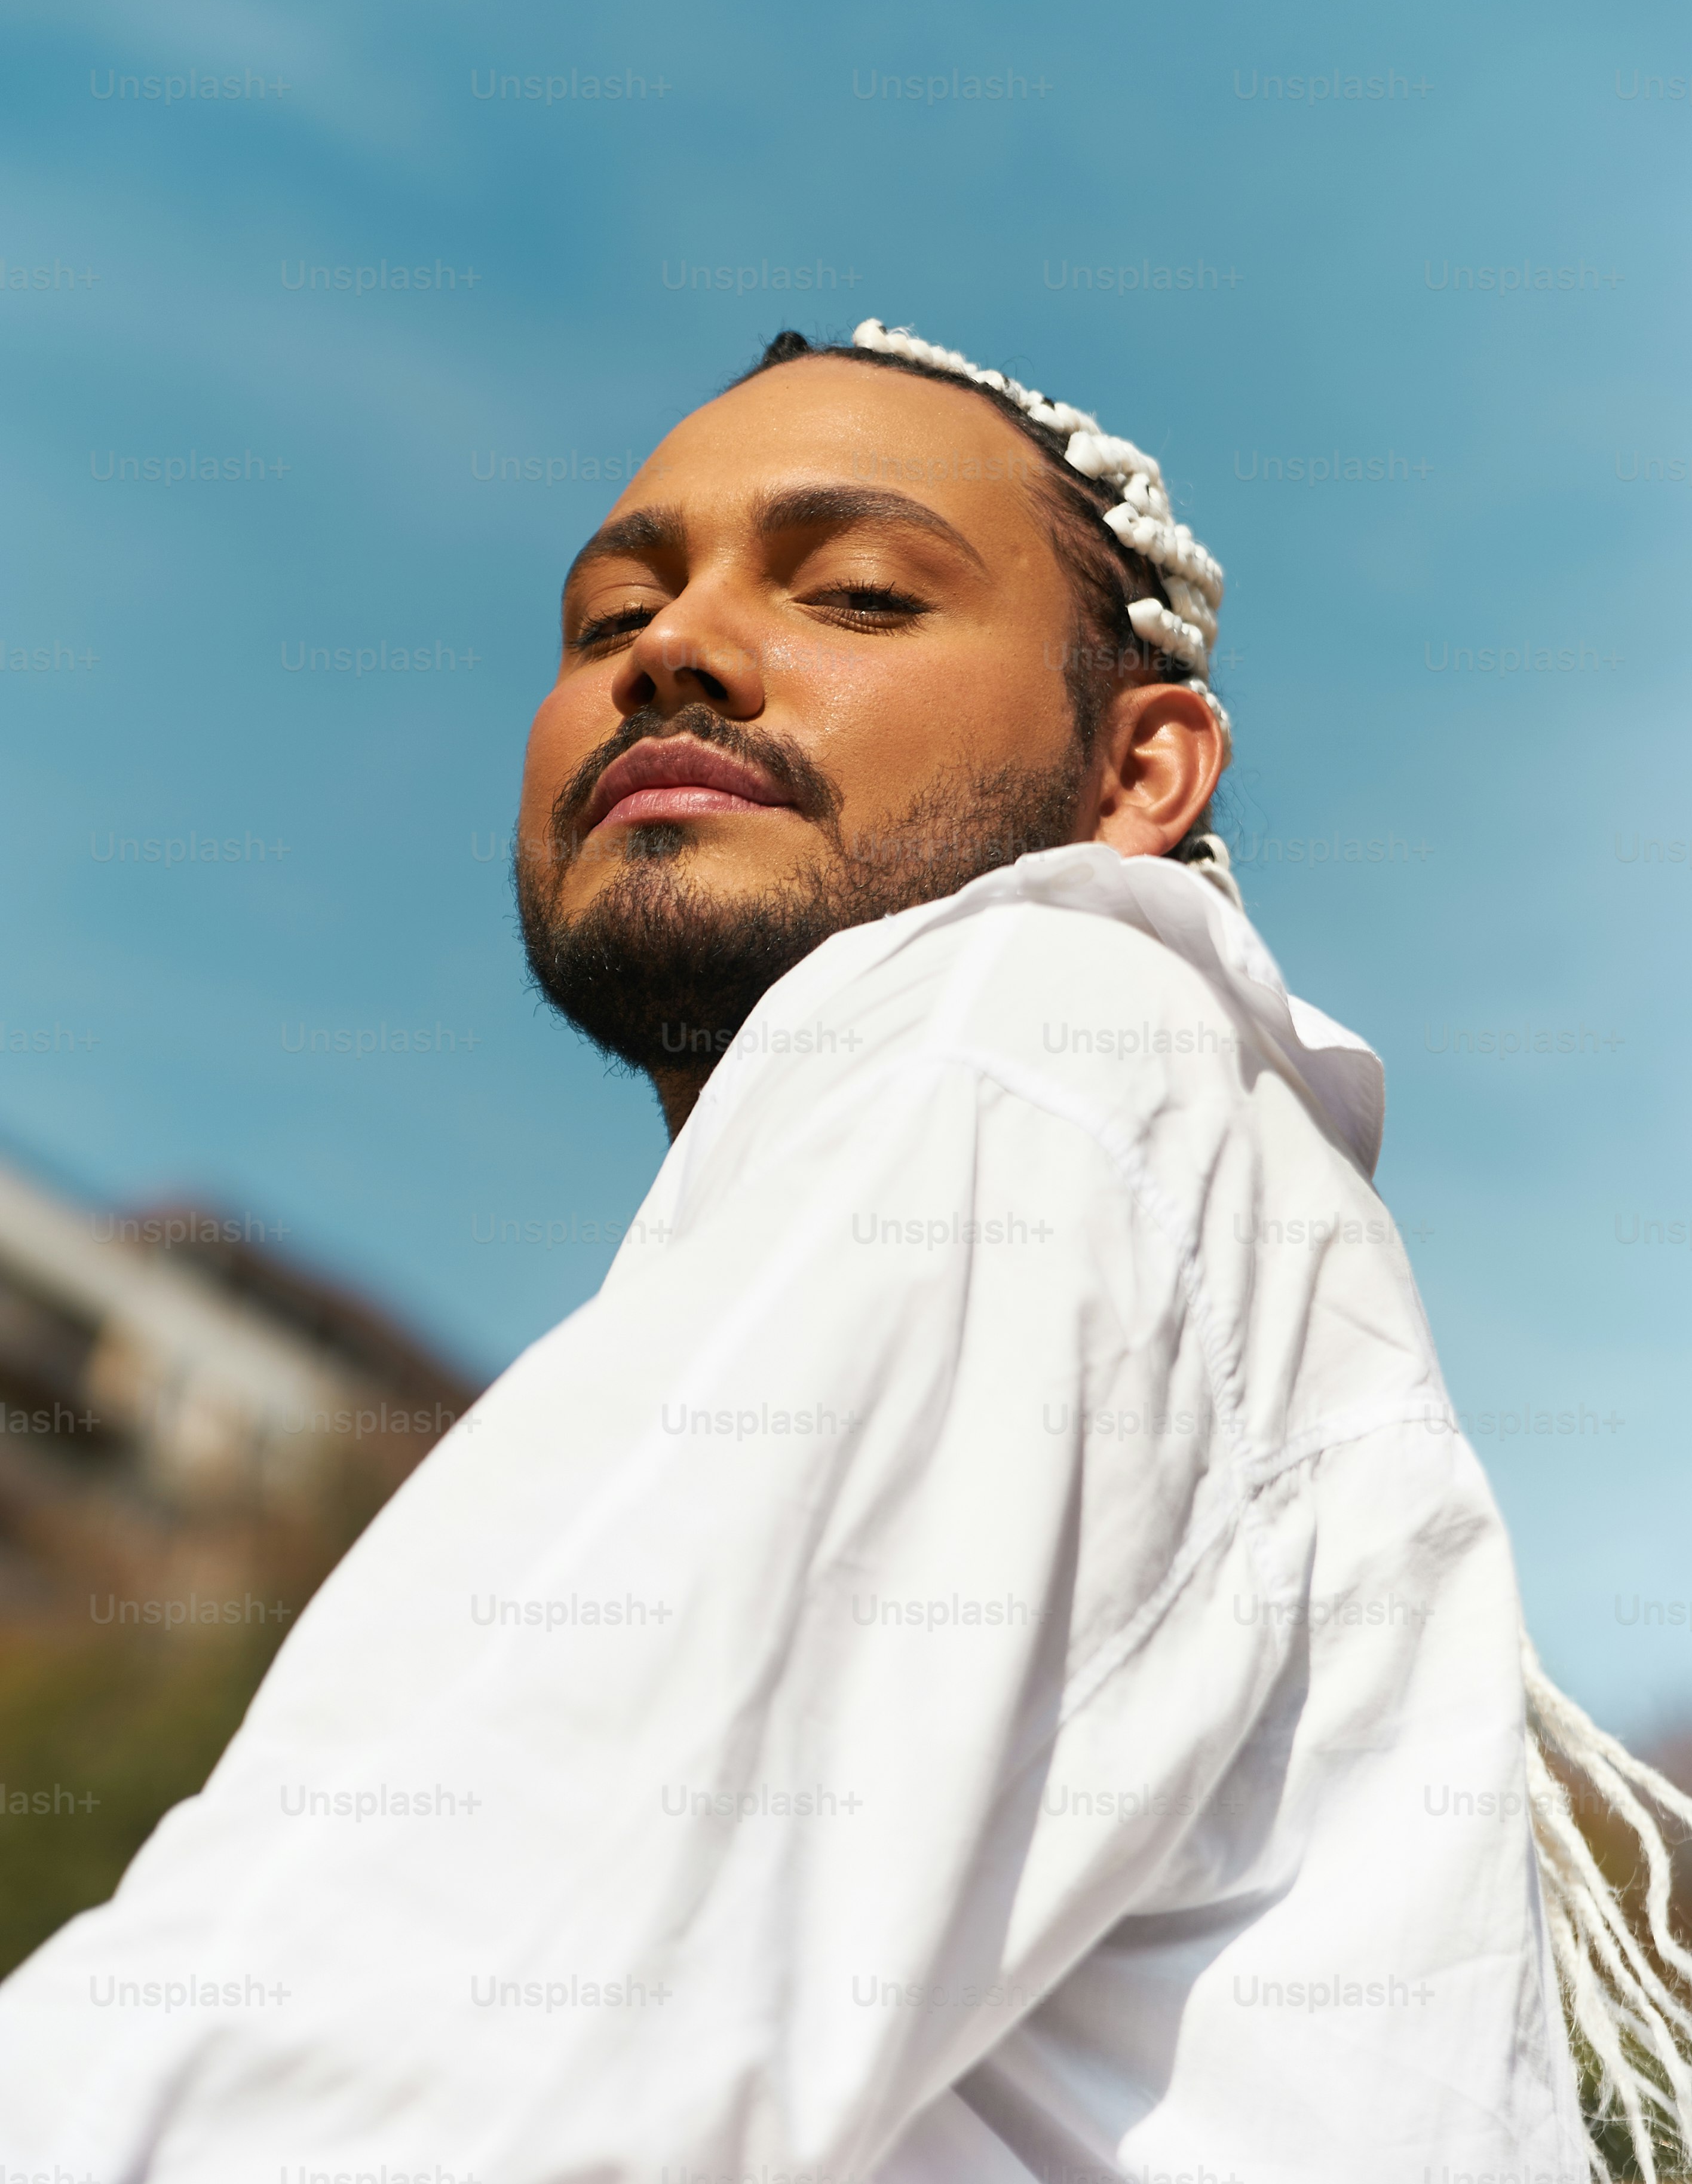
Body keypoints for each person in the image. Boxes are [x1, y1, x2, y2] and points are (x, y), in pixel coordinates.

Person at [2, 320, 1687, 2184]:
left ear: (1142, 773)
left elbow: (400, 2045)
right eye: (603, 617)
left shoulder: (1030, 1033)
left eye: (865, 591)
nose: (672, 648)